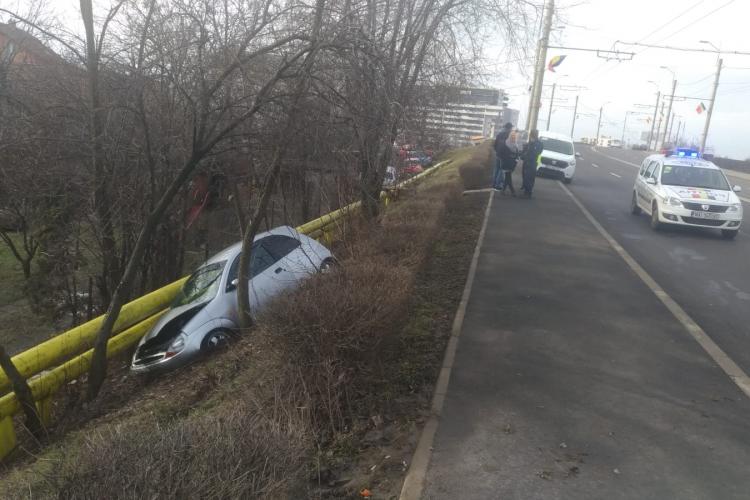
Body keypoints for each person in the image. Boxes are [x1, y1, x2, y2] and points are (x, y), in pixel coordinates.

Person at [521, 129, 544, 198]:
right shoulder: (531, 142)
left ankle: (528, 193)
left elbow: (536, 153)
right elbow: (526, 151)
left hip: (532, 163)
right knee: (526, 176)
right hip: (528, 162)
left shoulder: (537, 143)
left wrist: (527, 154)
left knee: (529, 177)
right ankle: (526, 191)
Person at [492, 122, 515, 191]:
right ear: (509, 128)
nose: (511, 129)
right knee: (501, 170)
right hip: (504, 155)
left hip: (498, 153)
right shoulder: (508, 135)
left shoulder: (499, 134)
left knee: (496, 169)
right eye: (511, 128)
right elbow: (510, 146)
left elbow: (495, 144)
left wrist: (496, 151)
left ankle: (493, 183)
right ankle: (497, 185)